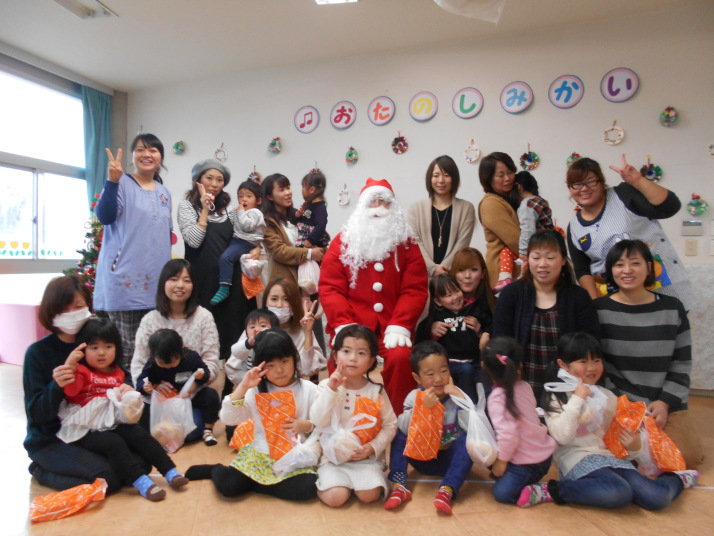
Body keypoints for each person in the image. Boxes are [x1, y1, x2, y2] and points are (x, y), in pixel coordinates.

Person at [518, 332, 699, 509]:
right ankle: (552, 490)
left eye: (597, 361)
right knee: (618, 492)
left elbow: (618, 440)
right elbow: (562, 437)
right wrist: (578, 398)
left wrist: (635, 447)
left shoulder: (607, 396)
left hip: (612, 459)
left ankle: (677, 479)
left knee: (656, 498)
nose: (591, 368)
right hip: (577, 460)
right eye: (583, 361)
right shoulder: (556, 396)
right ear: (563, 364)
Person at [320, 178, 428, 414]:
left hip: (392, 325)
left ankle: (400, 417)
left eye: (384, 201)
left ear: (393, 207)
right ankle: (341, 415)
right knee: (343, 361)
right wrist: (344, 324)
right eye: (372, 201)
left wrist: (400, 324)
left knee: (401, 358)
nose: (378, 207)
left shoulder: (406, 244)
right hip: (353, 324)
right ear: (362, 207)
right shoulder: (342, 242)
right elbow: (330, 288)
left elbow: (415, 289)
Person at [594, 239, 703, 468]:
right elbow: (598, 366)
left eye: (635, 263)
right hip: (619, 402)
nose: (627, 270)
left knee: (687, 456)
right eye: (619, 265)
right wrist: (625, 406)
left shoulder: (672, 308)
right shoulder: (598, 310)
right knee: (612, 451)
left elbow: (682, 362)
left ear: (649, 268)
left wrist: (664, 402)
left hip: (663, 402)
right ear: (610, 271)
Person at [58, 318, 188, 501]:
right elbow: (70, 391)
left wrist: (127, 392)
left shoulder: (118, 372)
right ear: (82, 350)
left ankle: (171, 472)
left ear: (116, 348)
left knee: (140, 435)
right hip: (85, 426)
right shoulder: (81, 371)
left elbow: (124, 403)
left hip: (111, 420)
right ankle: (142, 483)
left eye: (108, 346)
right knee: (114, 442)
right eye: (94, 347)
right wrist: (70, 366)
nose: (101, 352)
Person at [185, 329, 320, 501]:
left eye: (285, 361)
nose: (279, 370)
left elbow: (323, 423)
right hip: (261, 454)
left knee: (308, 488)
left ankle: (255, 484)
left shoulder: (309, 389)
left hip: (295, 456)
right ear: (260, 366)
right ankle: (216, 470)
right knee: (228, 486)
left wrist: (307, 425)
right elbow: (228, 418)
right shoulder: (255, 390)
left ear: (294, 358)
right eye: (270, 365)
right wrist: (243, 387)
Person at [23, 275, 125, 493]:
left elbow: (120, 374)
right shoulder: (38, 353)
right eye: (63, 309)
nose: (71, 314)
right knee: (108, 480)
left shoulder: (96, 343)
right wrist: (57, 385)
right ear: (51, 312)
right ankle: (40, 470)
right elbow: (37, 414)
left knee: (137, 465)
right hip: (51, 438)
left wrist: (127, 389)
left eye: (78, 307)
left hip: (90, 432)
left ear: (88, 307)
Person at [566, 154, 695, 310]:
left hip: (664, 291)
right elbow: (582, 270)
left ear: (601, 182)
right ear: (570, 188)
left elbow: (670, 207)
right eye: (577, 184)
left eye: (591, 181)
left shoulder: (623, 195)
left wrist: (638, 181)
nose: (584, 189)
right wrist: (595, 306)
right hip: (616, 303)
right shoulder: (574, 227)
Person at [492, 230, 600, 399]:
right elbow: (500, 341)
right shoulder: (512, 294)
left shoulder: (579, 297)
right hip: (521, 387)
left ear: (563, 260)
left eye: (550, 258)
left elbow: (590, 344)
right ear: (528, 260)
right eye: (536, 257)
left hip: (569, 390)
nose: (542, 264)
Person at [95, 134, 172, 367]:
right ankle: (128, 390)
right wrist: (112, 182)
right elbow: (105, 216)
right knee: (128, 349)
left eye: (153, 150)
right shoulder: (121, 183)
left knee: (155, 347)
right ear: (132, 156)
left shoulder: (164, 192)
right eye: (140, 149)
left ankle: (149, 390)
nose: (146, 154)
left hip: (157, 283)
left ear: (161, 157)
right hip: (125, 281)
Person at [177, 159, 256, 363]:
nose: (214, 184)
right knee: (204, 340)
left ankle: (233, 382)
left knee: (233, 340)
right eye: (209, 178)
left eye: (219, 180)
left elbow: (244, 238)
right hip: (202, 283)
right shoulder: (187, 207)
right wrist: (204, 209)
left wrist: (255, 248)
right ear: (197, 180)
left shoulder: (229, 210)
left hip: (230, 283)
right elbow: (194, 241)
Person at [131, 259, 220, 441]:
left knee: (190, 433)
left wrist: (193, 386)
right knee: (145, 428)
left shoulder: (204, 317)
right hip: (157, 396)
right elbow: (138, 364)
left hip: (190, 394)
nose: (180, 285)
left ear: (193, 285)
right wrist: (153, 389)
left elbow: (211, 362)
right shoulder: (150, 320)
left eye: (186, 280)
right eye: (173, 279)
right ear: (163, 283)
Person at [310, 325, 397, 507]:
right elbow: (317, 421)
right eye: (346, 351)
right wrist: (331, 390)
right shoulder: (326, 386)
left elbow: (390, 425)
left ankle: (357, 483)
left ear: (371, 361)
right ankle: (334, 483)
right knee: (335, 498)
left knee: (369, 495)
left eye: (361, 353)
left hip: (365, 459)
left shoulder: (376, 391)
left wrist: (372, 447)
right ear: (335, 356)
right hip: (332, 458)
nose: (352, 358)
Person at [384, 341, 473, 515]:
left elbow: (472, 428)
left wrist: (461, 400)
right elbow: (403, 427)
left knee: (468, 440)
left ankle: (447, 489)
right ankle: (400, 484)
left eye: (443, 371)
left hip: (449, 461)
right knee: (399, 431)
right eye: (430, 374)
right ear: (418, 378)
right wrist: (423, 409)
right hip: (421, 458)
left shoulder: (457, 396)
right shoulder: (414, 397)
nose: (438, 379)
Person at [481, 337, 555, 504]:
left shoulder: (497, 398)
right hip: (545, 458)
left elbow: (509, 435)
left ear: (484, 367)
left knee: (502, 493)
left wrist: (501, 462)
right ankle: (525, 481)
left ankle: (541, 491)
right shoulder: (525, 386)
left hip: (526, 463)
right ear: (519, 365)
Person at [136, 329, 221, 446]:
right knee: (143, 409)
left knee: (210, 395)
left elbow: (206, 373)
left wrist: (199, 378)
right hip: (165, 404)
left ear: (181, 350)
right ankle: (154, 434)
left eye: (172, 362)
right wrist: (145, 388)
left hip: (189, 399)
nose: (168, 367)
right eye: (162, 363)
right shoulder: (152, 364)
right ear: (153, 355)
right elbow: (140, 381)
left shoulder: (191, 358)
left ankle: (208, 430)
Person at [416, 274, 489, 402]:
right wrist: (431, 331)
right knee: (465, 371)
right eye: (448, 295)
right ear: (438, 301)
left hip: (474, 361)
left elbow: (490, 325)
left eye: (456, 291)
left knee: (486, 379)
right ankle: (466, 406)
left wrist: (481, 331)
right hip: (449, 364)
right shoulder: (435, 318)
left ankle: (481, 409)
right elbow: (420, 343)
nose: (455, 297)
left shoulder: (474, 310)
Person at [408, 155, 476, 277]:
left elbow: (462, 244)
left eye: (446, 175)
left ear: (454, 178)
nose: (441, 180)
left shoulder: (466, 208)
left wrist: (443, 271)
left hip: (452, 276)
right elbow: (415, 243)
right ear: (430, 178)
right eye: (436, 175)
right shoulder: (416, 208)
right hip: (422, 275)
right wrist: (432, 269)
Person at [261, 173, 325, 288]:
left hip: (307, 279)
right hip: (284, 283)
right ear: (270, 196)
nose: (288, 192)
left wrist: (321, 249)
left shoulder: (299, 214)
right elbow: (280, 251)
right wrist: (309, 253)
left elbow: (319, 234)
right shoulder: (267, 222)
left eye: (288, 187)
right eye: (281, 190)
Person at [495, 171, 556, 292]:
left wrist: (523, 251)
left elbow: (528, 230)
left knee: (506, 252)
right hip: (549, 243)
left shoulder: (526, 205)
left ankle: (506, 279)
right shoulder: (540, 201)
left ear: (519, 187)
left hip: (537, 245)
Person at [210, 180, 265, 305]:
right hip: (240, 240)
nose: (244, 199)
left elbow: (247, 226)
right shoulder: (242, 212)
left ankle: (224, 287)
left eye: (249, 196)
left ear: (258, 200)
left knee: (226, 257)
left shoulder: (255, 212)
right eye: (241, 196)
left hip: (246, 241)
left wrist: (240, 212)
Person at [261, 278, 325, 378]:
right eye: (274, 299)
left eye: (286, 299)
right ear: (265, 302)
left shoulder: (302, 330)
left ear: (295, 303)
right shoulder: (256, 328)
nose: (279, 305)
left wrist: (307, 333)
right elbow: (237, 368)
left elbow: (308, 370)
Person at [477, 152, 521, 289]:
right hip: (503, 273)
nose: (507, 178)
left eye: (510, 172)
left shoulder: (510, 198)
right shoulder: (491, 203)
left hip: (517, 269)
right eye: (500, 175)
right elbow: (515, 240)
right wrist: (540, 256)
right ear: (488, 178)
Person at [448, 247, 495, 351]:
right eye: (461, 270)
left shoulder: (495, 304)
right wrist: (432, 330)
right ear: (453, 273)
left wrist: (482, 333)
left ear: (483, 273)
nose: (467, 276)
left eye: (474, 270)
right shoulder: (442, 303)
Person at [225, 308, 281, 387]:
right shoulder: (249, 346)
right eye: (252, 327)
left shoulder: (279, 343)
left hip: (275, 382)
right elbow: (235, 352)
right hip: (253, 383)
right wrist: (248, 343)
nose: (257, 329)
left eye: (263, 326)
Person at [295, 170, 330, 248]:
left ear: (311, 190)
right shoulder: (309, 204)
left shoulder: (320, 207)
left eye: (303, 187)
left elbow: (321, 225)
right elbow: (305, 220)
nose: (301, 190)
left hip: (312, 242)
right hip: (304, 238)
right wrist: (298, 214)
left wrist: (310, 240)